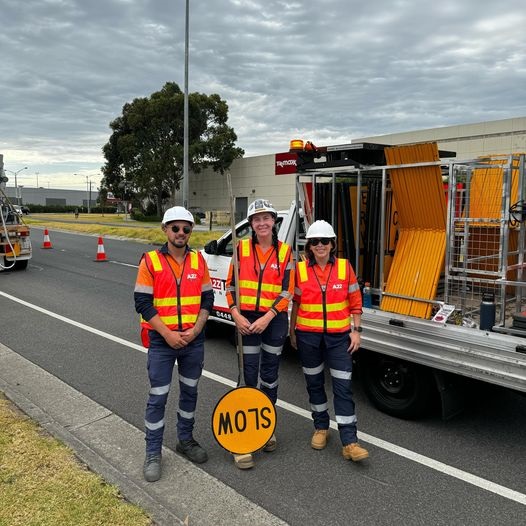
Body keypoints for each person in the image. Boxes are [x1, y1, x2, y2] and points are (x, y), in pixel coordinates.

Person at [134, 206, 214, 482]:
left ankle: (185, 440)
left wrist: (196, 329)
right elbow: (142, 303)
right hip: (162, 340)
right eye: (175, 228)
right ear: (165, 229)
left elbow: (207, 300)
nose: (181, 233)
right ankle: (153, 451)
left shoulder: (198, 261)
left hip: (193, 340)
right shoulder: (150, 261)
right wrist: (168, 334)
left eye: (186, 228)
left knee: (190, 392)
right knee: (158, 396)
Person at [289, 220, 369, 462]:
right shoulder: (300, 270)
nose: (320, 245)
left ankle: (350, 442)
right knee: (314, 384)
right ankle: (321, 427)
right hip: (308, 337)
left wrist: (357, 331)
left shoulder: (345, 268)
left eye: (325, 241)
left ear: (332, 244)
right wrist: (292, 331)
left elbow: (355, 302)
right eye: (315, 242)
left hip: (338, 339)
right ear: (309, 246)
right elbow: (296, 303)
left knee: (343, 388)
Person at [226, 199, 294, 469]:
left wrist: (268, 316)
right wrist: (236, 314)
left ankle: (266, 424)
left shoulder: (286, 252)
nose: (262, 223)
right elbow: (230, 286)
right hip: (245, 320)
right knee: (248, 374)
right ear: (251, 225)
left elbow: (287, 291)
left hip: (273, 320)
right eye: (257, 219)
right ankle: (245, 432)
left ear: (273, 222)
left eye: (267, 218)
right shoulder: (240, 249)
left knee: (270, 375)